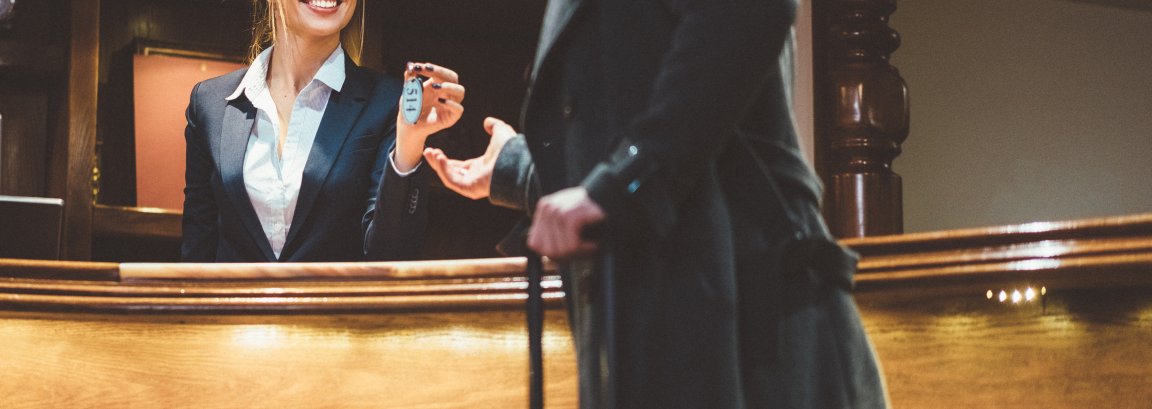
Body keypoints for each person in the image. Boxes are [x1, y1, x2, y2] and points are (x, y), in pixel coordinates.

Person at [421, 0, 890, 407]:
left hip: (751, 330)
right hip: (669, 325)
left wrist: (622, 183)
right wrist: (519, 170)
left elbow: (750, 10)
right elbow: (638, 125)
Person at [181, 0, 465, 262]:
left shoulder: (388, 103)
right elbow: (197, 252)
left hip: (335, 315)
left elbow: (389, 257)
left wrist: (410, 143)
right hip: (237, 315)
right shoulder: (209, 103)